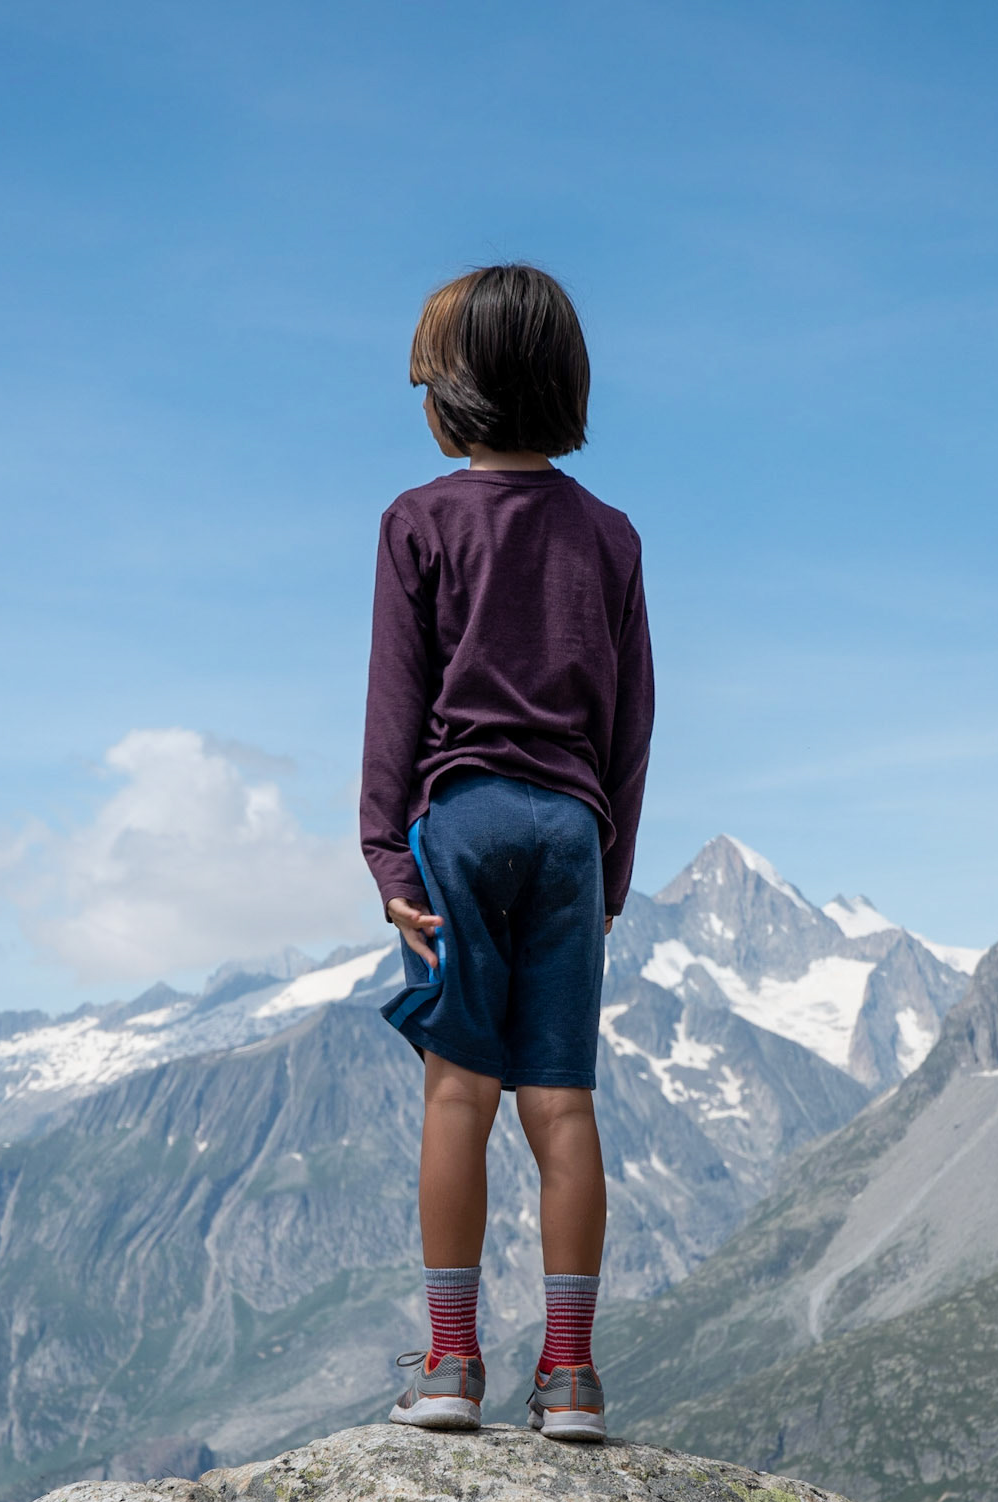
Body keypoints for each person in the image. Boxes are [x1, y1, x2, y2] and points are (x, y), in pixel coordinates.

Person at [359, 263, 654, 1441]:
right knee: (562, 1109)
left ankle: (448, 1363)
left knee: (456, 1092)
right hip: (572, 830)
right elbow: (631, 721)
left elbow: (396, 703)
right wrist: (610, 869)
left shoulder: (418, 522)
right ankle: (571, 1378)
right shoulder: (612, 537)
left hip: (464, 815)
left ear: (449, 402)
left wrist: (390, 855)